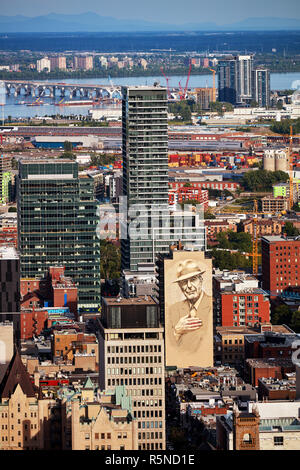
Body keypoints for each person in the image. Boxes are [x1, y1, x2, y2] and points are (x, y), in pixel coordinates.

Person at [166, 259, 212, 366]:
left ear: (201, 280)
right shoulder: (174, 309)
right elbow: (170, 345)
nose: (189, 286)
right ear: (179, 286)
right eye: (183, 282)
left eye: (193, 279)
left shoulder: (210, 305)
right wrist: (177, 332)